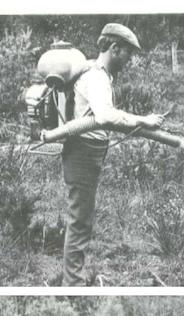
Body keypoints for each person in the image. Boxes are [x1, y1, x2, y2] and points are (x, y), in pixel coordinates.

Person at [60, 23, 164, 286]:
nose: (129, 60)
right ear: (115, 48)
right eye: (128, 53)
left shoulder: (99, 75)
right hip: (83, 153)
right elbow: (105, 116)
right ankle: (73, 285)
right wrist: (144, 120)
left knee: (81, 220)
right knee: (80, 223)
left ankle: (74, 280)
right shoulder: (96, 77)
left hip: (87, 152)